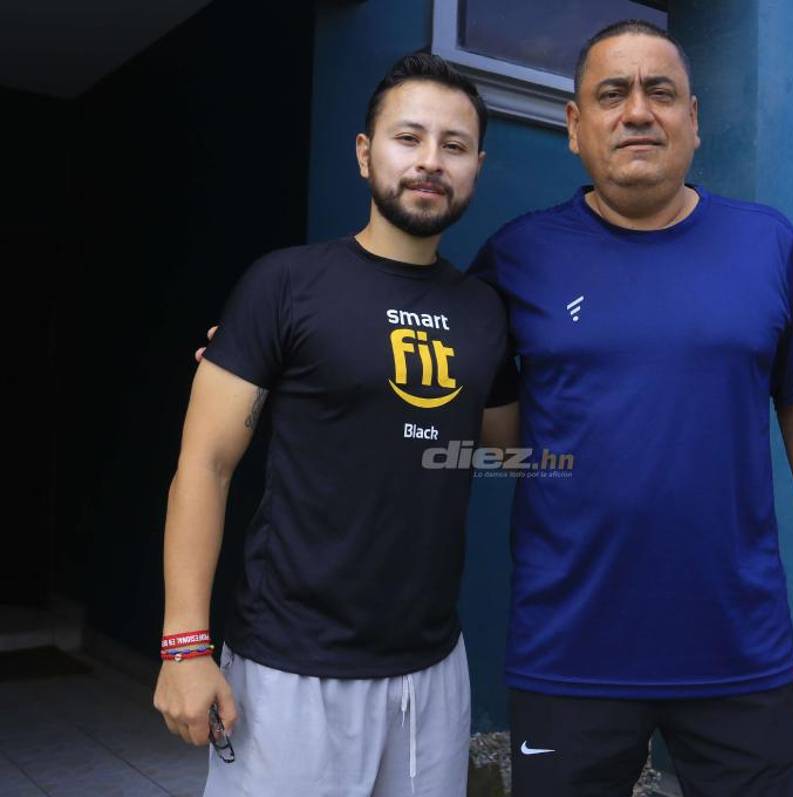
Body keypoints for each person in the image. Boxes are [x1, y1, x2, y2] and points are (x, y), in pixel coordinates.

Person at [468, 20, 793, 796]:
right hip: (570, 649)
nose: (637, 111)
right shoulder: (518, 257)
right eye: (611, 94)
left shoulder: (767, 245)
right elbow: (476, 406)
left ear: (693, 117)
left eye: (660, 91)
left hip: (735, 647)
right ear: (574, 126)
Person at [154, 53, 518, 797]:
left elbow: (509, 454)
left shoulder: (485, 312)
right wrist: (184, 644)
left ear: (477, 167)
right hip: (290, 669)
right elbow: (205, 466)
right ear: (363, 152)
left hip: (432, 671)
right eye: (408, 138)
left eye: (453, 145)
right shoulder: (284, 284)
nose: (430, 161)